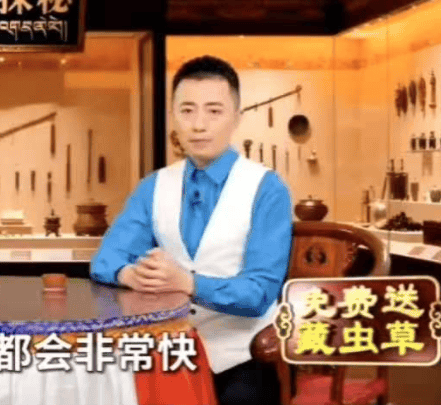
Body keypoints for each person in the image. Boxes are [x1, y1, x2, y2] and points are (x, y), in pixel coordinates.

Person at [90, 55, 292, 405]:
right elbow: (105, 259)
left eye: (214, 111)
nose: (199, 125)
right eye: (187, 110)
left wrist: (188, 283)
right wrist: (130, 274)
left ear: (236, 118)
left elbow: (259, 292)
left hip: (242, 357)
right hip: (169, 353)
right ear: (173, 117)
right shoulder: (154, 186)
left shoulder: (267, 188)